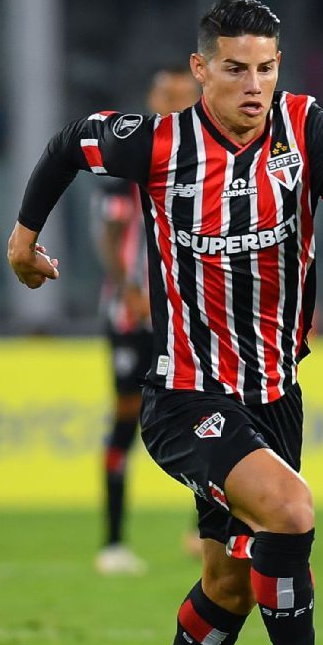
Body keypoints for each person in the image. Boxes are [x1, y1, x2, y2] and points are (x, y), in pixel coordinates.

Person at [6, 0, 323, 645]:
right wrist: (22, 241)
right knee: (290, 510)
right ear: (201, 69)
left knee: (230, 585)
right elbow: (69, 144)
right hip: (185, 394)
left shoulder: (302, 125)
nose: (254, 86)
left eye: (266, 69)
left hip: (275, 393)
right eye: (235, 69)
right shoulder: (158, 144)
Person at [93, 66, 201, 576]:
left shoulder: (209, 159)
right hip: (133, 315)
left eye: (184, 94)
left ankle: (204, 529)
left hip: (187, 311)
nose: (175, 102)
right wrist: (131, 291)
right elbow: (111, 235)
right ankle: (113, 542)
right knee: (125, 418)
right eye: (167, 93)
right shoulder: (129, 156)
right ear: (152, 98)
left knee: (208, 411)